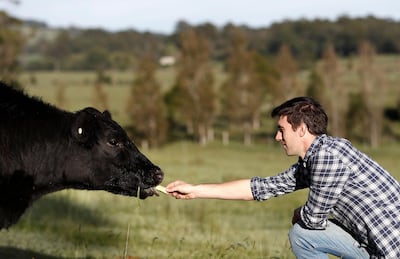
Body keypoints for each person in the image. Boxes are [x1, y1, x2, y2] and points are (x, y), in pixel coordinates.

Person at [166, 97, 400, 259]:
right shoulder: (319, 156)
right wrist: (196, 190)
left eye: (282, 130)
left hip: (389, 250)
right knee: (304, 231)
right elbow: (260, 188)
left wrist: (299, 213)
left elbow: (313, 219)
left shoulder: (327, 158)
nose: (278, 137)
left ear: (301, 129)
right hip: (373, 243)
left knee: (303, 233)